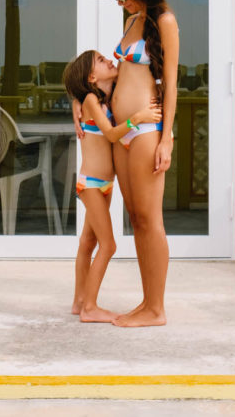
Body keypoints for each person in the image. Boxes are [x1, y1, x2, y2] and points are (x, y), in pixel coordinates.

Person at [87, 0, 179, 327]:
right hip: (121, 130)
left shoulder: (166, 21)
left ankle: (156, 309)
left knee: (149, 218)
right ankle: (147, 302)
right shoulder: (134, 19)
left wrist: (167, 138)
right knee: (136, 217)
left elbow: (171, 83)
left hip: (145, 132)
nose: (119, 1)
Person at [63, 49, 161, 323]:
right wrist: (138, 118)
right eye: (102, 61)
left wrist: (76, 102)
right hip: (92, 185)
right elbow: (110, 133)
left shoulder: (101, 98)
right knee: (108, 246)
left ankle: (79, 301)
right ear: (92, 76)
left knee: (88, 241)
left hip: (103, 184)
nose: (110, 60)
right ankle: (90, 307)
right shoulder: (92, 99)